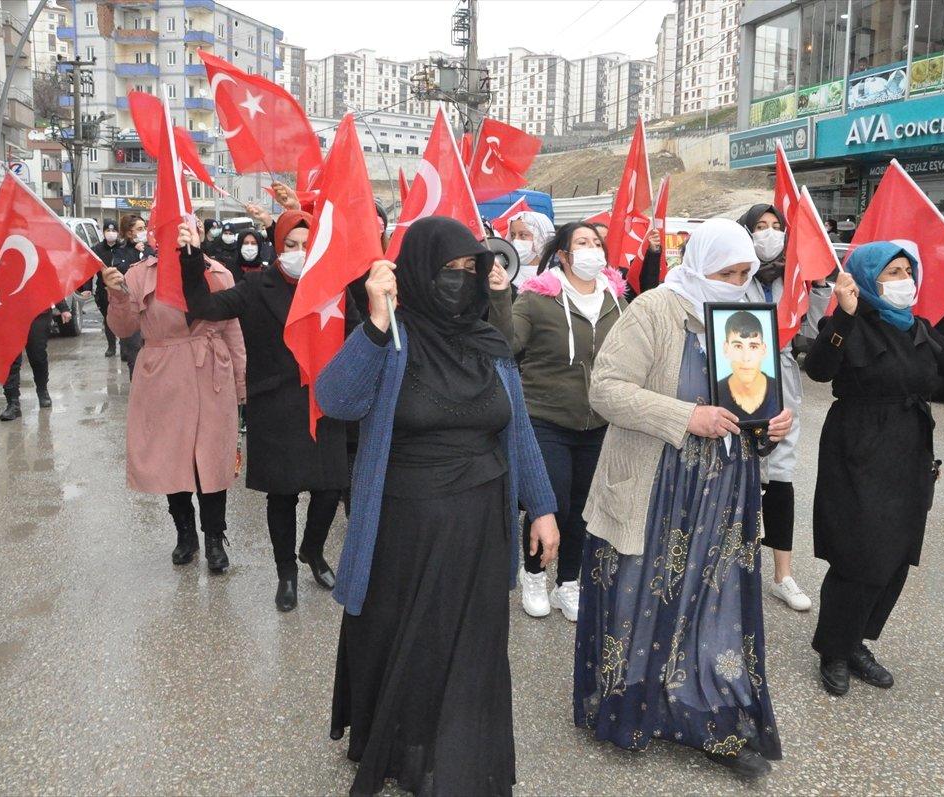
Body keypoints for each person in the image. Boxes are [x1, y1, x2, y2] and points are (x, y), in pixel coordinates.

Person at [316, 217, 559, 796]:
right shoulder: (394, 338)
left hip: (481, 525)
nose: (460, 279)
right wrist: (376, 324)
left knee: (471, 643)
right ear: (418, 272)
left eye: (470, 268)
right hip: (404, 529)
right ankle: (404, 750)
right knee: (411, 642)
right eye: (447, 269)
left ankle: (455, 754)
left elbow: (517, 427)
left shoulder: (489, 343)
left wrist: (542, 505)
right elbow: (336, 400)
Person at [576, 218, 793, 778]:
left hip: (722, 491)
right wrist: (686, 417)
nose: (737, 284)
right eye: (727, 273)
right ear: (700, 265)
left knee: (711, 600)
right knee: (640, 595)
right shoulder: (654, 310)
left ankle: (704, 712)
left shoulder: (743, 322)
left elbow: (747, 402)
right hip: (656, 487)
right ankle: (632, 707)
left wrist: (768, 424)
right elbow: (606, 390)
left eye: (744, 274)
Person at [804, 241, 944, 697]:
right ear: (867, 280)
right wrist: (844, 314)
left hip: (909, 450)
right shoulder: (848, 323)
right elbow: (819, 370)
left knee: (894, 555)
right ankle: (834, 650)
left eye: (908, 271)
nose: (904, 280)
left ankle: (857, 641)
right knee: (858, 553)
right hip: (858, 449)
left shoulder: (918, 329)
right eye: (892, 272)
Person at [179, 210, 354, 612]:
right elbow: (204, 304)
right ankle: (285, 573)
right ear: (277, 246)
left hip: (323, 401)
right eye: (290, 245)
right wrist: (190, 256)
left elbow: (358, 331)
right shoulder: (257, 286)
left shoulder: (331, 285)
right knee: (283, 495)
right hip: (276, 405)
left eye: (306, 245)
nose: (298, 253)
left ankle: (312, 550)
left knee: (330, 488)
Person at [488, 221, 627, 622]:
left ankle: (568, 581)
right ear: (563, 255)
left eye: (597, 242)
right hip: (546, 418)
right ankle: (534, 573)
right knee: (552, 502)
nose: (592, 248)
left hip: (598, 423)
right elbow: (506, 343)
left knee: (584, 508)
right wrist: (499, 296)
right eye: (582, 242)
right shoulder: (537, 298)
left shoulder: (617, 299)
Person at [103, 239, 246, 572]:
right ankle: (185, 533)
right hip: (163, 376)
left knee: (212, 461)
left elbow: (233, 331)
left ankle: (214, 538)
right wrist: (117, 294)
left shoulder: (219, 272)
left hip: (212, 373)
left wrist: (241, 385)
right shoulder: (139, 275)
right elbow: (123, 328)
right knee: (172, 458)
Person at [739, 202, 831, 612]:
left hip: (784, 380)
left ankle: (783, 575)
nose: (769, 232)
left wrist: (820, 282)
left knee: (780, 476)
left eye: (776, 225)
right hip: (739, 377)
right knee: (738, 475)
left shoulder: (793, 278)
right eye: (760, 226)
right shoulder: (737, 272)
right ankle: (732, 566)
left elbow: (814, 328)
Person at [0, 299, 71, 421]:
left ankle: (42, 390)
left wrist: (63, 308)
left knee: (37, 355)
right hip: (9, 312)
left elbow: (51, 288)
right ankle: (13, 403)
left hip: (38, 312)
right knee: (11, 358)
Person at [716, 310, 779, 422]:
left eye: (753, 347)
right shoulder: (715, 393)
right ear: (726, 349)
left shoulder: (778, 391)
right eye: (738, 346)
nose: (746, 358)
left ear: (763, 350)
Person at [112, 214, 154, 375]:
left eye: (145, 228)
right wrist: (135, 254)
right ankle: (135, 381)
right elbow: (121, 272)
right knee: (134, 350)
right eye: (140, 229)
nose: (144, 232)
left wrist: (145, 253)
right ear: (129, 233)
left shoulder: (150, 249)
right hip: (131, 305)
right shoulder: (120, 252)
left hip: (150, 304)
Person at [94, 219, 123, 358]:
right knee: (108, 318)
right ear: (103, 232)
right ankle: (111, 346)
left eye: (114, 230)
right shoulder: (97, 249)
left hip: (121, 289)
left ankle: (125, 346)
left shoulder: (123, 248)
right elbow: (89, 269)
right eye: (108, 230)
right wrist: (85, 288)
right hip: (103, 289)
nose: (111, 233)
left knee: (123, 317)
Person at [506, 210, 555, 288]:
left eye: (523, 235)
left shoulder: (557, 276)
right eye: (512, 235)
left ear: (541, 239)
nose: (515, 240)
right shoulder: (505, 275)